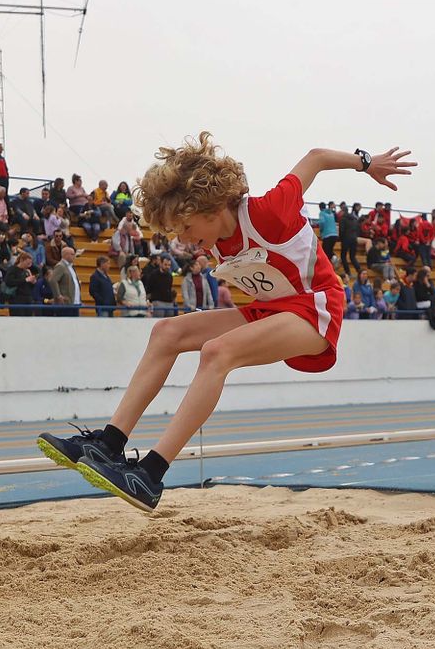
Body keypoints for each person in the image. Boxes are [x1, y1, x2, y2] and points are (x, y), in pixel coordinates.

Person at [39, 133, 413, 511]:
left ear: (211, 207)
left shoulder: (269, 211)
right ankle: (109, 443)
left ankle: (151, 474)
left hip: (315, 309)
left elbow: (315, 157)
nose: (185, 241)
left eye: (185, 229)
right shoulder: (212, 237)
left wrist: (368, 163)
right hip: (269, 310)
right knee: (167, 332)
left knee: (217, 351)